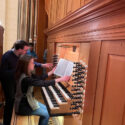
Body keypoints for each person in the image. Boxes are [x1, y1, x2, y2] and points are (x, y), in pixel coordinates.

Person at [14, 54, 70, 125]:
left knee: (48, 109)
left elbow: (38, 78)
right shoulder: (26, 79)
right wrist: (61, 79)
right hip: (23, 107)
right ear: (26, 65)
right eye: (32, 63)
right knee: (47, 113)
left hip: (28, 102)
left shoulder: (26, 73)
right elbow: (42, 83)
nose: (34, 64)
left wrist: (51, 72)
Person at [0, 40, 29, 125]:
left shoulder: (20, 55)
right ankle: (7, 122)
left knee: (17, 100)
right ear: (19, 49)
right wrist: (17, 71)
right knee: (9, 103)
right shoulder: (7, 56)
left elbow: (28, 62)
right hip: (8, 83)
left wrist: (41, 65)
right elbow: (3, 73)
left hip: (16, 81)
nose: (26, 52)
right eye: (25, 50)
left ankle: (15, 121)